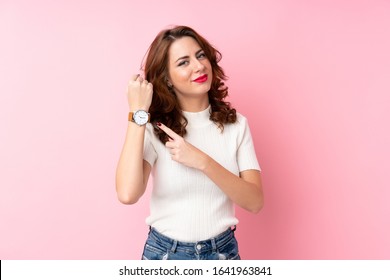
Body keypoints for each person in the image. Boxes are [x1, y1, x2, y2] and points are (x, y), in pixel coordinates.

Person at [116, 25, 263, 260]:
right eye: (183, 62)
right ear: (167, 78)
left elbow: (255, 202)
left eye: (200, 55)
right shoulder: (156, 129)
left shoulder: (237, 125)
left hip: (222, 254)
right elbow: (127, 193)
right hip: (165, 255)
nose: (198, 66)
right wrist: (137, 113)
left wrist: (203, 162)